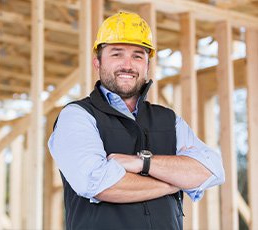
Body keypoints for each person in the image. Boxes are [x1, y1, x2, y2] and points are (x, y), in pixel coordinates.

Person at [48, 11, 225, 230]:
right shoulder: (77, 116)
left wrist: (142, 163)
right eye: (116, 54)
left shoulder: (169, 120)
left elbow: (212, 169)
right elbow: (99, 184)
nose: (127, 64)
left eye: (138, 55)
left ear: (147, 65)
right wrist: (174, 181)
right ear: (97, 63)